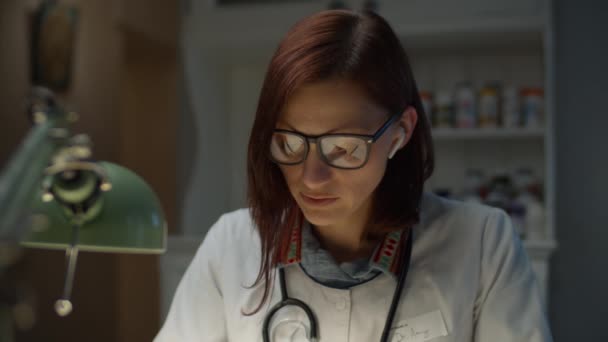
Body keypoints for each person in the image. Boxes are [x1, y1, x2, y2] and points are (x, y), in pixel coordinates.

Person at [155, 9, 552, 342]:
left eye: (343, 149)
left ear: (400, 133)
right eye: (290, 146)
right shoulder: (232, 244)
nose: (311, 178)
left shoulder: (482, 244)